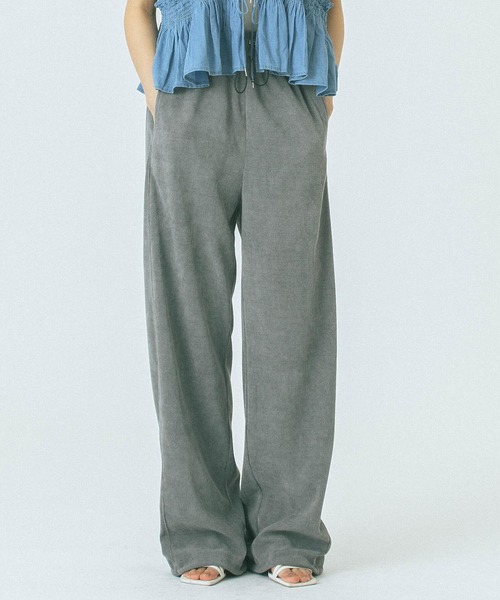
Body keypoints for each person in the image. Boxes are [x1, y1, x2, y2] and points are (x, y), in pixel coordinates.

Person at [124, 0, 344, 588]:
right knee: (186, 317)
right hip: (190, 99)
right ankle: (200, 529)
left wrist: (322, 100)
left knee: (291, 320)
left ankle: (288, 529)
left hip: (288, 98)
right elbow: (138, 9)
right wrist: (158, 100)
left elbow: (332, 7)